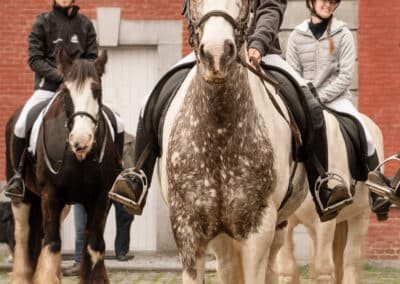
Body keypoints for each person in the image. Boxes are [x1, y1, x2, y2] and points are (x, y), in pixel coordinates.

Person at [108, 0, 356, 221]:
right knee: (150, 98)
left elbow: (271, 7)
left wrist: (257, 43)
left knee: (310, 104)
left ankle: (322, 182)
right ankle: (138, 176)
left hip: (261, 52)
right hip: (208, 50)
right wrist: (199, 38)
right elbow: (190, 7)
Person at [3, 0, 124, 202]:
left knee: (117, 122)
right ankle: (17, 177)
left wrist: (77, 81)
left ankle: (120, 172)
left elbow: (92, 59)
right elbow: (35, 59)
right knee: (21, 125)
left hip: (80, 93)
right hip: (47, 89)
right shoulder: (42, 22)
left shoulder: (85, 25)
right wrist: (63, 77)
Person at [285, 0, 391, 220]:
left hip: (336, 99)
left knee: (366, 135)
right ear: (311, 3)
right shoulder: (296, 36)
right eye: (324, 0)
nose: (328, 5)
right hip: (305, 100)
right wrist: (307, 98)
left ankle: (377, 192)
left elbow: (345, 77)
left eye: (333, 2)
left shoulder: (343, 33)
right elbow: (293, 74)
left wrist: (321, 97)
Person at [62, 204, 85, 277]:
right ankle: (79, 264)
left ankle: (93, 265)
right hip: (79, 197)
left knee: (94, 230)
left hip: (96, 197)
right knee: (80, 230)